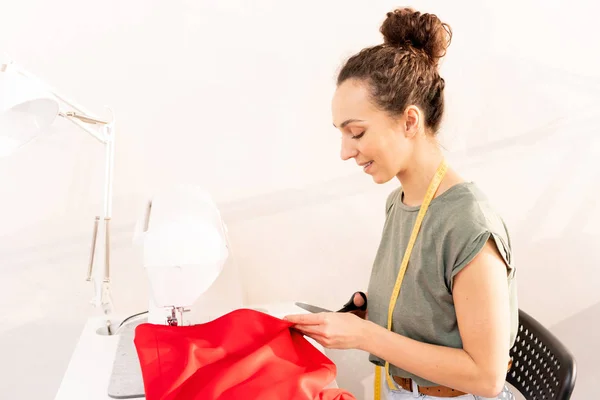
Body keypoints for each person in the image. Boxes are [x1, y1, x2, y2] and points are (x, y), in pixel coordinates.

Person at [284, 7, 518, 400]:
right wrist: (367, 313)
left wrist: (368, 336)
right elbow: (432, 304)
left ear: (410, 121)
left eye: (356, 132)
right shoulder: (401, 202)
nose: (345, 152)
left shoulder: (469, 223)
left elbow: (487, 378)